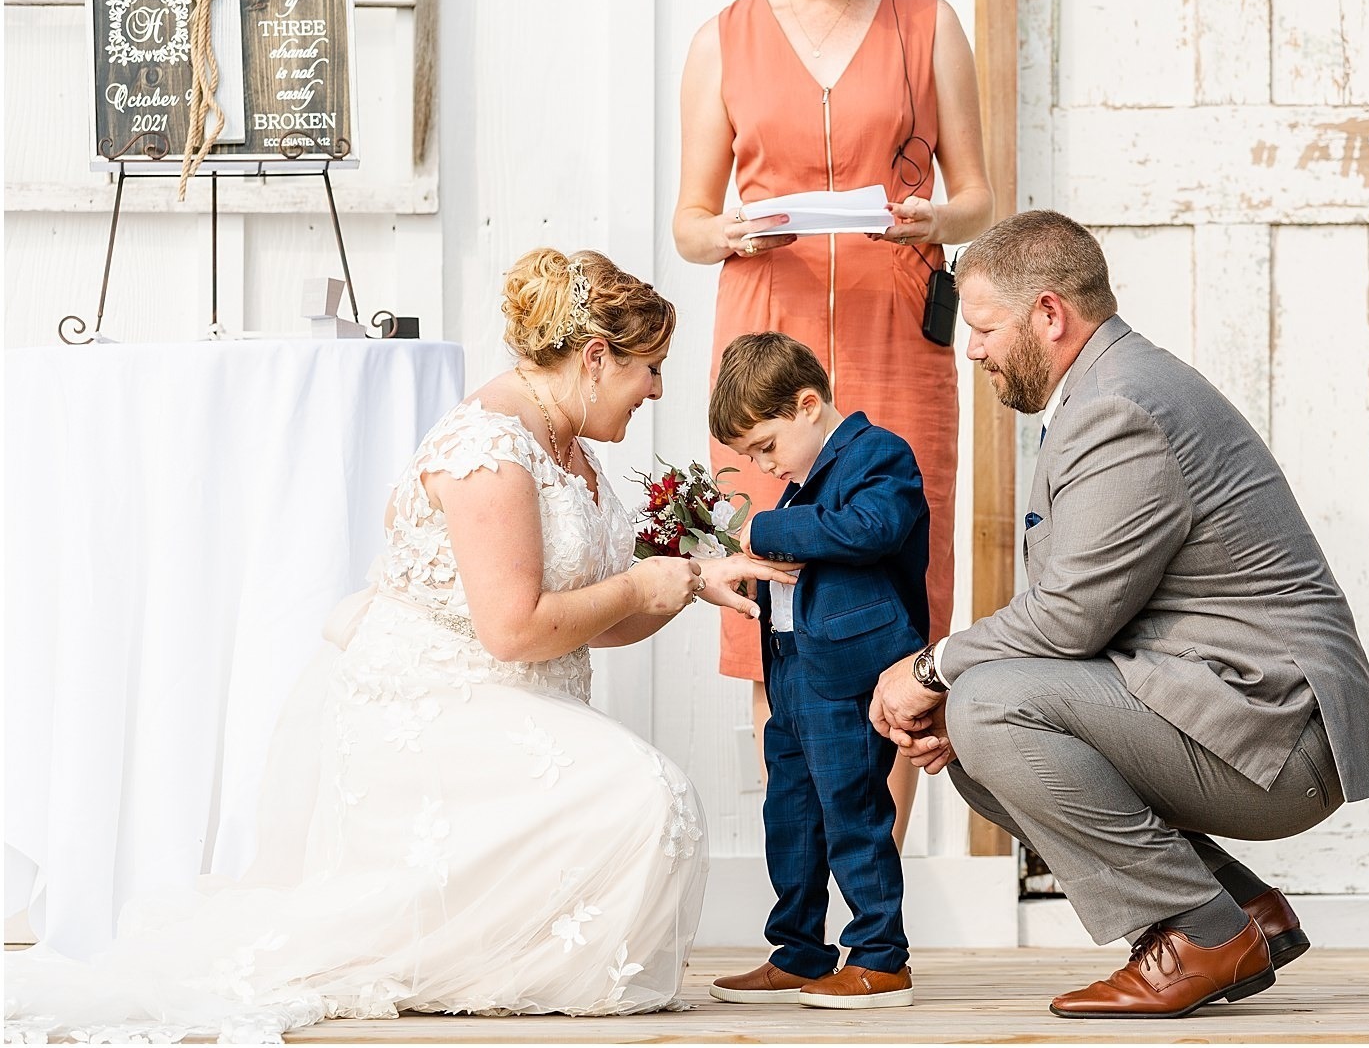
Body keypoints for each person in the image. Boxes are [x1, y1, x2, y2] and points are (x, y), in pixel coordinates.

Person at [5, 248, 796, 1042]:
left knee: (649, 796)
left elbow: (601, 616)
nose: (656, 389)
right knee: (650, 796)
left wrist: (693, 579)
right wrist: (637, 584)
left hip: (516, 700)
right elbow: (514, 627)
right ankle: (482, 966)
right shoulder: (487, 449)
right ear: (596, 358)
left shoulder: (574, 451)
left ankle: (505, 968)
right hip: (436, 704)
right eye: (649, 369)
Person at [871, 211, 1369, 1019]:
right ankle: (1241, 909)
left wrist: (929, 666)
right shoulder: (1109, 388)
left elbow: (1067, 622)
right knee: (977, 731)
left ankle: (1196, 932)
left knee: (983, 702)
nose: (969, 347)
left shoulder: (1119, 407)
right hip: (1229, 707)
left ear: (1049, 314)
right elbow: (1082, 617)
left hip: (1280, 731)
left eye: (982, 327)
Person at [674, 0, 993, 844]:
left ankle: (875, 914)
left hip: (896, 329)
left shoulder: (929, 24)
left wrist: (934, 216)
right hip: (765, 334)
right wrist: (731, 234)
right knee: (773, 598)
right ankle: (801, 913)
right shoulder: (721, 39)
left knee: (899, 590)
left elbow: (978, 200)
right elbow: (690, 224)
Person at [705, 332, 927, 1009]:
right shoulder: (802, 483)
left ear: (807, 405)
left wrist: (767, 530)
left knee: (853, 807)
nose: (763, 466)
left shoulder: (878, 456)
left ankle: (881, 955)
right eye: (750, 457)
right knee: (790, 811)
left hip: (848, 670)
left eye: (765, 447)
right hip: (792, 667)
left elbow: (870, 529)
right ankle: (800, 948)